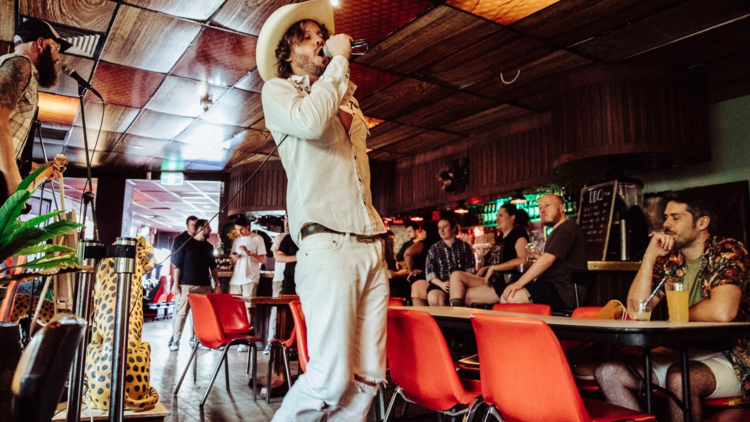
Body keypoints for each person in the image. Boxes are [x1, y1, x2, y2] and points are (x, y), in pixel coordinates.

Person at [257, 1, 388, 419]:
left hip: (371, 242)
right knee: (330, 377)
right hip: (328, 244)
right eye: (310, 37)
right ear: (289, 51)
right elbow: (312, 124)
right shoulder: (279, 92)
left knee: (368, 376)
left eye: (322, 36)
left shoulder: (343, 99)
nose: (321, 42)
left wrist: (340, 81)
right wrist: (339, 63)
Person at [594, 193, 750, 422]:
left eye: (675, 217)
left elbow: (722, 311)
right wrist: (649, 256)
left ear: (702, 223)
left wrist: (677, 316)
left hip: (736, 356)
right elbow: (637, 309)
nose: (666, 224)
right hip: (686, 352)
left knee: (680, 377)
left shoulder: (727, 250)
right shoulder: (671, 260)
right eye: (666, 217)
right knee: (609, 372)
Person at [1, 18, 68, 201]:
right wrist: (14, 181)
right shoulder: (19, 64)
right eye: (56, 48)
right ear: (40, 43)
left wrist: (35, 168)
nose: (58, 57)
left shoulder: (19, 68)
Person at [501, 194, 587, 311]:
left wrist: (519, 283)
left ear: (561, 208)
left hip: (564, 290)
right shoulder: (555, 231)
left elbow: (548, 259)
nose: (543, 211)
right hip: (551, 285)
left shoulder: (567, 227)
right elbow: (556, 261)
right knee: (505, 298)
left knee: (511, 298)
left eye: (547, 205)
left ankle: (528, 329)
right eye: (540, 207)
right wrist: (539, 257)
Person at [450, 203, 530, 307]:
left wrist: (492, 268)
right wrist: (487, 268)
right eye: (496, 216)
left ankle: (457, 320)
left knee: (464, 294)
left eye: (500, 216)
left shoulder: (518, 234)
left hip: (505, 284)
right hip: (492, 281)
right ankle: (456, 317)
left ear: (512, 217)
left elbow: (522, 260)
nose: (497, 219)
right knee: (456, 275)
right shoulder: (501, 237)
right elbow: (502, 261)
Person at [169, 219, 220, 351]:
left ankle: (198, 340)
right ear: (200, 228)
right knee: (182, 313)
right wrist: (175, 284)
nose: (210, 230)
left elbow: (213, 268)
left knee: (201, 315)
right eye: (208, 227)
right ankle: (176, 340)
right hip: (187, 284)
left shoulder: (209, 247)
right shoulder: (186, 244)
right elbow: (178, 266)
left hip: (205, 285)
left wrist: (217, 284)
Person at [229, 215, 266, 352]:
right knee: (235, 309)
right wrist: (234, 258)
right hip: (236, 278)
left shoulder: (257, 239)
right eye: (237, 230)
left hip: (250, 277)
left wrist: (249, 253)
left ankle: (245, 339)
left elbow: (263, 260)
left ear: (247, 227)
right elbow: (232, 262)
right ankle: (235, 337)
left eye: (241, 230)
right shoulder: (237, 240)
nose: (239, 233)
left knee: (248, 308)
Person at [424, 217, 475, 306]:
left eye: (445, 227)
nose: (441, 230)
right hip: (440, 283)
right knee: (434, 298)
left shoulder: (464, 246)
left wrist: (459, 283)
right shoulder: (434, 249)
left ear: (453, 228)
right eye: (439, 228)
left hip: (461, 283)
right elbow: (430, 273)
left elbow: (470, 269)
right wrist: (442, 284)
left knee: (469, 297)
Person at [408, 222, 440, 306]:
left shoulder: (422, 243)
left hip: (422, 278)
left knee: (421, 312)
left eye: (422, 231)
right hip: (437, 281)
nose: (420, 233)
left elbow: (407, 253)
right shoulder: (441, 244)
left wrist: (410, 270)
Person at [275, 216, 299, 296]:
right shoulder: (288, 238)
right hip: (290, 278)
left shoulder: (309, 238)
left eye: (289, 223)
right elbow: (278, 257)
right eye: (286, 223)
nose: (287, 226)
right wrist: (298, 257)